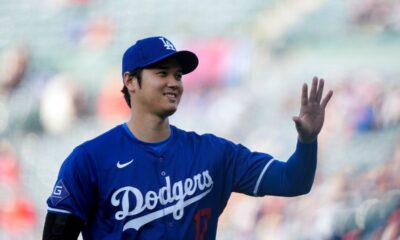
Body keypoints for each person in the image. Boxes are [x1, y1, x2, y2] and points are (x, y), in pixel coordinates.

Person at [43, 36, 333, 239]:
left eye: (178, 75)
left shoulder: (213, 152)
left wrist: (307, 143)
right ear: (130, 81)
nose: (174, 82)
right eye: (162, 73)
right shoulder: (89, 160)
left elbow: (292, 181)